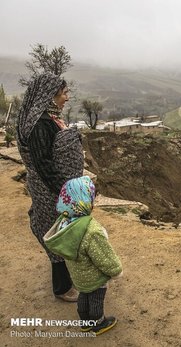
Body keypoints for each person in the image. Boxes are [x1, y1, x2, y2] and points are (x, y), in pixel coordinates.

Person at [16, 72, 84, 301]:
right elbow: (44, 164)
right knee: (57, 234)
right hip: (50, 191)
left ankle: (67, 280)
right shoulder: (40, 125)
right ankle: (62, 289)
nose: (67, 97)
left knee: (63, 232)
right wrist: (66, 190)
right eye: (64, 93)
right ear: (50, 95)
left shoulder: (50, 118)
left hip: (55, 189)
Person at [44, 176, 122, 336]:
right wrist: (116, 270)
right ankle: (98, 323)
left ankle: (85, 322)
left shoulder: (63, 225)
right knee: (95, 299)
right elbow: (103, 256)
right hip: (94, 277)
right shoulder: (91, 230)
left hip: (77, 276)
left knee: (83, 297)